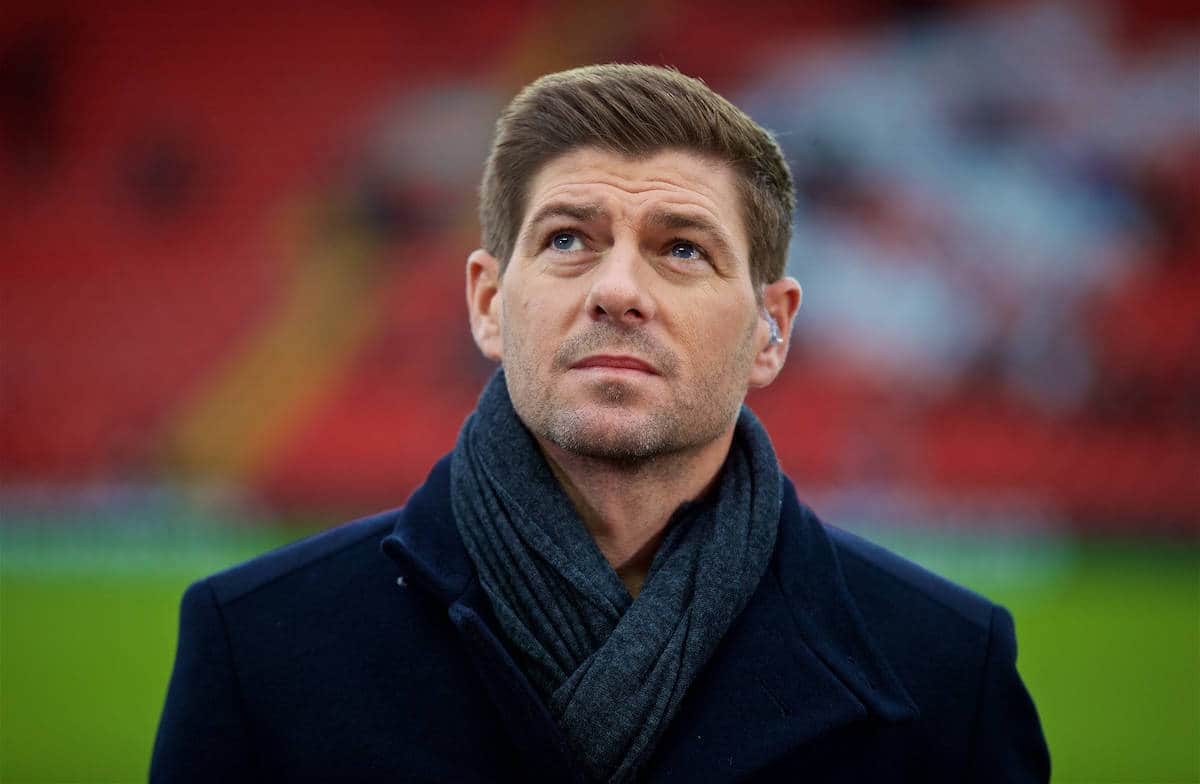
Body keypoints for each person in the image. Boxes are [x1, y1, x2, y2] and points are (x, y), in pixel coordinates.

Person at [152, 64, 1050, 783]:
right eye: (569, 240)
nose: (618, 290)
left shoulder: (946, 670)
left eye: (683, 248)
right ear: (489, 303)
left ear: (771, 328)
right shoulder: (257, 645)